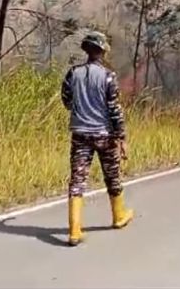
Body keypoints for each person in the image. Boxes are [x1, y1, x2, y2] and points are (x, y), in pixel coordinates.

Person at [60, 31, 134, 246]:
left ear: (86, 50)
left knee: (77, 180)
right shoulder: (108, 76)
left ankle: (74, 230)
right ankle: (119, 216)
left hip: (80, 134)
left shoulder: (73, 73)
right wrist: (121, 137)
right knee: (112, 175)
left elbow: (66, 99)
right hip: (104, 134)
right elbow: (114, 109)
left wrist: (79, 111)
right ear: (102, 51)